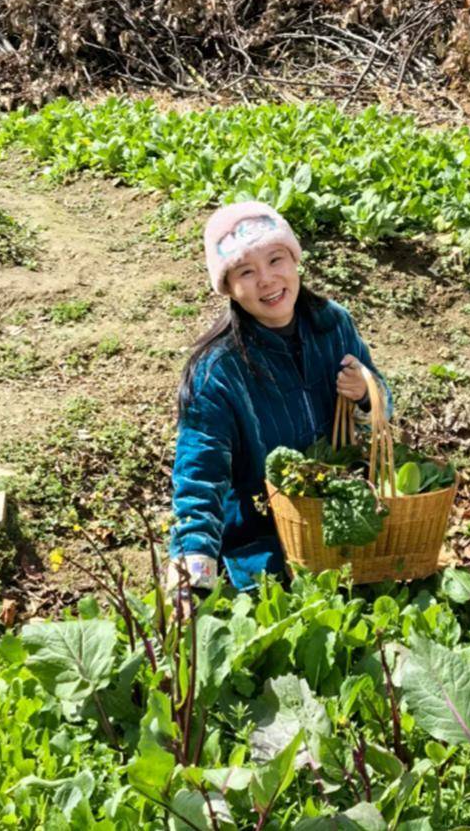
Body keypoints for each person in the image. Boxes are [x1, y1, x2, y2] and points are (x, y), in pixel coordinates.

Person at [168, 200, 392, 594]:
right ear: (228, 288)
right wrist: (191, 579)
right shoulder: (217, 371)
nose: (267, 280)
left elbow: (383, 404)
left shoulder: (333, 324)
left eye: (276, 260)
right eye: (246, 271)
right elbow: (200, 478)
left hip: (340, 519)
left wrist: (366, 395)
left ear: (294, 260)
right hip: (260, 541)